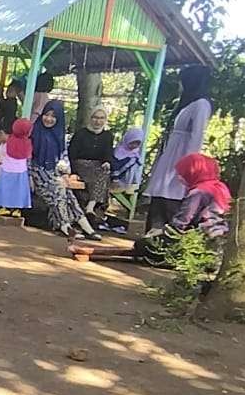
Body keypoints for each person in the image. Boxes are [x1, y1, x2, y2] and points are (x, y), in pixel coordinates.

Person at [72, 153, 231, 265]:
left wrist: (158, 233)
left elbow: (180, 224)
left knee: (144, 245)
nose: (179, 178)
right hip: (216, 241)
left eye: (182, 174)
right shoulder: (219, 188)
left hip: (199, 241)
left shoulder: (198, 192)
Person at [144, 65, 213, 231]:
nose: (179, 86)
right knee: (160, 192)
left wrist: (189, 166)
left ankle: (168, 235)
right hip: (170, 154)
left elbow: (197, 136)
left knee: (173, 192)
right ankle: (152, 237)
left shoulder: (201, 104)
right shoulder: (185, 103)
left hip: (182, 156)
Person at [28, 98, 101, 240]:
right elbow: (27, 158)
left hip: (53, 174)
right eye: (47, 115)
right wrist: (30, 176)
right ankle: (65, 225)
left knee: (68, 194)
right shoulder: (34, 132)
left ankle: (86, 227)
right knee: (60, 189)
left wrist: (66, 174)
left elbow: (63, 158)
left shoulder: (59, 136)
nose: (48, 119)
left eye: (53, 116)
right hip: (36, 172)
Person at [69, 104, 115, 219]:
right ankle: (91, 208)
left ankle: (91, 206)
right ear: (90, 118)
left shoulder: (107, 136)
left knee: (104, 173)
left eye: (101, 118)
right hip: (81, 164)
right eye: (95, 117)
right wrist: (73, 171)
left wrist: (107, 162)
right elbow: (72, 153)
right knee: (95, 175)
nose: (98, 121)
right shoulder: (81, 134)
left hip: (98, 166)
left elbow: (108, 153)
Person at [0, 119, 34, 215]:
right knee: (19, 190)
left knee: (6, 189)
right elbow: (28, 157)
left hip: (7, 170)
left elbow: (4, 155)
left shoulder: (9, 141)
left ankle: (4, 207)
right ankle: (17, 210)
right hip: (21, 171)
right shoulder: (27, 143)